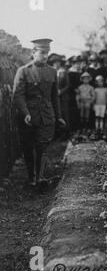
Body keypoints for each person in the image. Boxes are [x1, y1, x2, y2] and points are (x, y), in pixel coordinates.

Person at [13, 38, 66, 187]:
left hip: (47, 115)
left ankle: (40, 178)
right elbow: (18, 95)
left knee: (42, 145)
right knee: (29, 147)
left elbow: (55, 97)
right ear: (33, 52)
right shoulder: (23, 71)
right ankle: (32, 177)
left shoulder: (52, 71)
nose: (45, 56)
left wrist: (59, 116)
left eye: (47, 53)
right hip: (29, 117)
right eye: (42, 53)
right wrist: (25, 113)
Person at [50, 54, 71, 139]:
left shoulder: (63, 72)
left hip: (63, 97)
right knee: (55, 115)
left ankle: (66, 133)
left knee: (64, 114)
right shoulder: (51, 72)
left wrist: (60, 91)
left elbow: (68, 85)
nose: (56, 64)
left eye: (58, 62)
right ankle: (56, 134)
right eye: (55, 63)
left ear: (60, 63)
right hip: (53, 98)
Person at [67, 56, 82, 131]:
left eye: (79, 63)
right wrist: (74, 89)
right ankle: (73, 128)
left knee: (78, 109)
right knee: (73, 110)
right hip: (72, 94)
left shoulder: (79, 72)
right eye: (77, 63)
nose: (78, 64)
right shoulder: (70, 72)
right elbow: (69, 84)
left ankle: (77, 128)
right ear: (73, 64)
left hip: (79, 92)